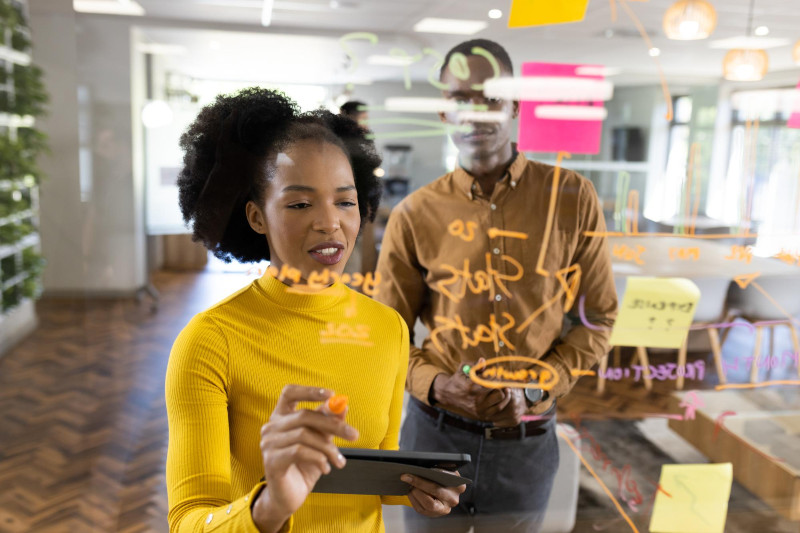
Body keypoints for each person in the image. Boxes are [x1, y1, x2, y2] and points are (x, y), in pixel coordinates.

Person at [166, 87, 465, 533]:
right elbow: (188, 520)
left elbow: (372, 466)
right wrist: (270, 506)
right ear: (256, 217)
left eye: (345, 201)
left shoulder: (388, 328)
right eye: (300, 203)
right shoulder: (211, 340)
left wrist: (420, 489)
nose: (330, 222)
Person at [374, 39, 618, 532]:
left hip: (526, 444)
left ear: (516, 106)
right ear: (444, 111)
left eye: (491, 96)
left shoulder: (572, 197)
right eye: (461, 97)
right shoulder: (414, 214)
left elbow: (598, 320)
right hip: (433, 440)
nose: (476, 112)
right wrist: (440, 386)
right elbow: (388, 337)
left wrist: (534, 387)